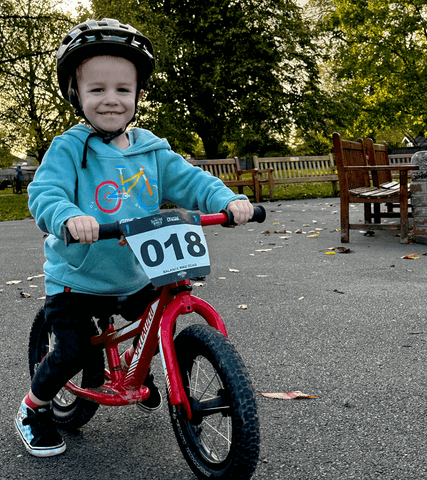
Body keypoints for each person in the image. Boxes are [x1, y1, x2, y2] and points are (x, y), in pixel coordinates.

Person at [15, 18, 254, 458]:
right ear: (76, 95)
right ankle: (35, 408)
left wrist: (228, 199)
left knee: (161, 304)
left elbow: (194, 182)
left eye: (123, 90)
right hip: (77, 278)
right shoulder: (69, 148)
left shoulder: (152, 149)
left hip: (135, 271)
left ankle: (142, 373)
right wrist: (67, 216)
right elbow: (44, 192)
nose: (111, 100)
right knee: (69, 351)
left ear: (137, 95)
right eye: (97, 90)